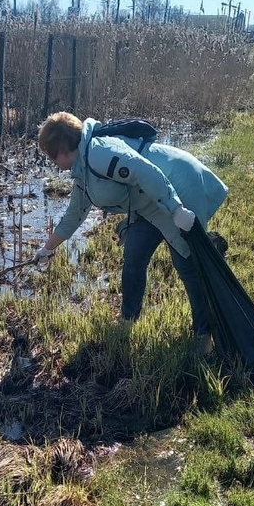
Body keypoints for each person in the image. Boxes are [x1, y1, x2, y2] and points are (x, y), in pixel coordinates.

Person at [33, 112, 229, 357]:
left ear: (61, 150)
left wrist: (176, 209)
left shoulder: (99, 153)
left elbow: (145, 172)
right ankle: (127, 321)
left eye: (52, 157)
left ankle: (204, 335)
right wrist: (48, 248)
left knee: (187, 265)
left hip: (178, 186)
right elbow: (74, 215)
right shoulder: (83, 169)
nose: (53, 163)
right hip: (147, 206)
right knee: (134, 259)